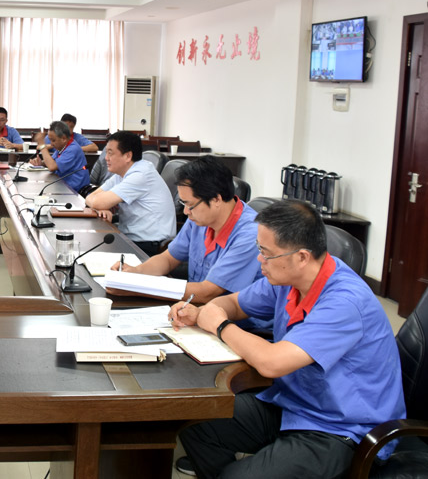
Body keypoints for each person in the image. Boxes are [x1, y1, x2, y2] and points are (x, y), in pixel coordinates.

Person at [171, 200, 405, 479]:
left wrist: (220, 325)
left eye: (266, 253)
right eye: (259, 249)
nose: (259, 260)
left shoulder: (345, 302)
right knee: (195, 417)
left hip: (341, 429)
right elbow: (234, 303)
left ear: (302, 257)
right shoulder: (288, 279)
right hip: (292, 405)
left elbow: (272, 363)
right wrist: (203, 312)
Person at [112, 155, 262, 305]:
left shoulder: (250, 235)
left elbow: (207, 292)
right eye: (183, 203)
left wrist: (136, 288)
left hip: (228, 316)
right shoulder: (200, 218)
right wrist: (136, 272)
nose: (185, 211)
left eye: (190, 205)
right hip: (191, 307)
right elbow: (168, 259)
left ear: (216, 199)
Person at [84, 131, 175, 256]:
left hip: (148, 244)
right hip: (131, 236)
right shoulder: (122, 173)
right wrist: (101, 207)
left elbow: (97, 201)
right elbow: (92, 196)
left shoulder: (140, 175)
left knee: (90, 250)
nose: (106, 158)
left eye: (110, 153)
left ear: (127, 156)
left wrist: (99, 204)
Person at [30, 120, 90, 193]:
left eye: (53, 140)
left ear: (63, 138)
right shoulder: (62, 147)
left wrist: (42, 145)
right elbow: (53, 162)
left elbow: (52, 167)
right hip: (62, 185)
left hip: (74, 190)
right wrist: (41, 163)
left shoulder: (72, 149)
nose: (51, 144)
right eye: (50, 140)